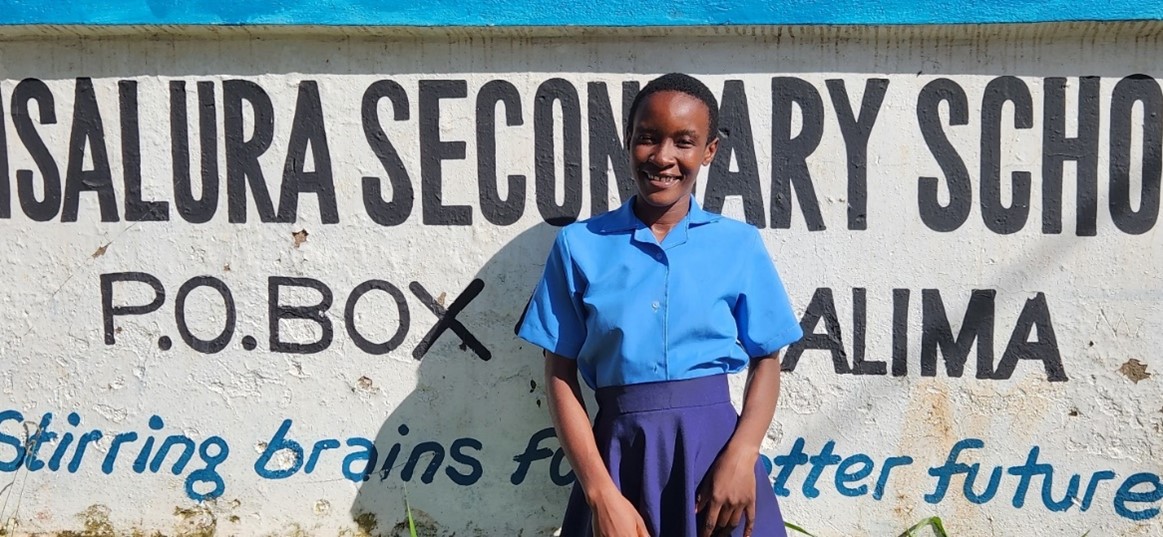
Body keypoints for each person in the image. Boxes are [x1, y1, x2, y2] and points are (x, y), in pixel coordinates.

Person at [517, 73, 803, 537]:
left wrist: (744, 455)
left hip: (718, 461)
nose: (663, 157)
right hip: (619, 461)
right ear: (628, 142)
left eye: (684, 142)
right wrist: (600, 492)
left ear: (708, 151)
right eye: (648, 138)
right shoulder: (578, 246)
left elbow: (767, 359)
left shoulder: (738, 245)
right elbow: (559, 373)